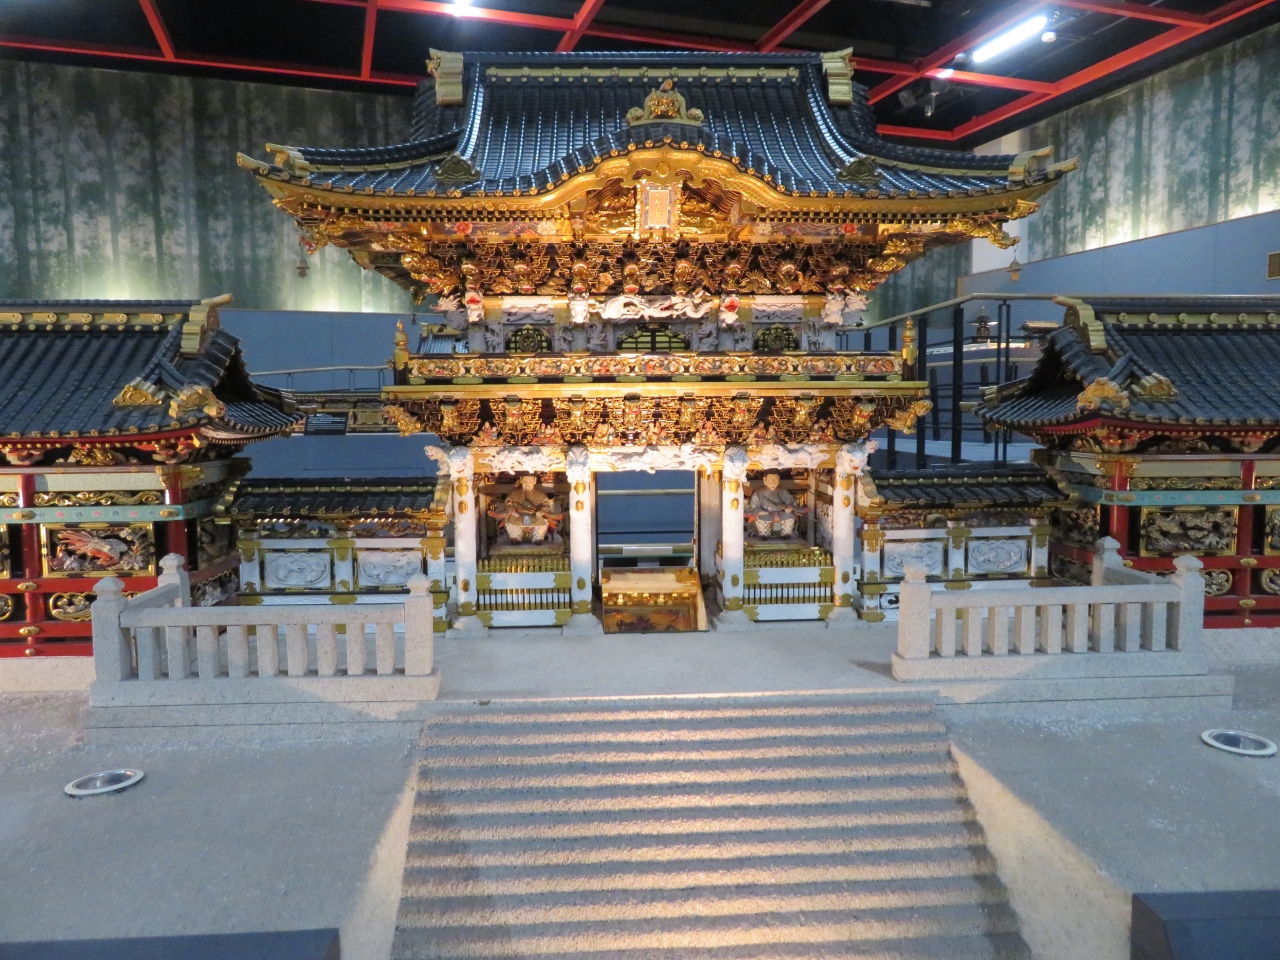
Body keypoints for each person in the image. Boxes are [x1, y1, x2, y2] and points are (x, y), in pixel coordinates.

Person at [489, 474, 562, 544]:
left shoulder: (541, 494)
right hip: (518, 516)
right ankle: (515, 537)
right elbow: (508, 505)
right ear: (521, 480)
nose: (527, 484)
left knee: (543, 519)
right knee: (509, 519)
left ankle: (537, 538)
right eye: (525, 481)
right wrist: (512, 511)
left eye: (530, 481)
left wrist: (540, 512)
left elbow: (546, 507)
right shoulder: (514, 493)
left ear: (535, 481)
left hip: (535, 516)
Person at [745, 471, 807, 539]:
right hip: (766, 514)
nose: (773, 481)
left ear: (779, 479)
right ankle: (764, 534)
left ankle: (786, 534)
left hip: (781, 513)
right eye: (770, 479)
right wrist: (760, 511)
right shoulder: (758, 492)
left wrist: (789, 508)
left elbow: (790, 502)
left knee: (789, 515)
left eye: (775, 479)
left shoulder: (783, 491)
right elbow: (754, 506)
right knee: (761, 517)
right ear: (765, 480)